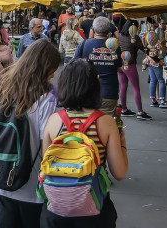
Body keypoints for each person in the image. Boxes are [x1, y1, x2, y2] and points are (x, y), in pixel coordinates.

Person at [41, 59, 128, 228]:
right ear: (95, 87)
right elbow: (119, 173)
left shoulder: (53, 121)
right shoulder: (106, 122)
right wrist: (122, 144)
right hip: (94, 210)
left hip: (57, 210)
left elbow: (45, 164)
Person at [0, 39, 61, 228]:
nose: (52, 74)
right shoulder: (47, 98)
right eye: (52, 69)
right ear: (43, 68)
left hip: (0, 177)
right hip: (31, 184)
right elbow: (47, 146)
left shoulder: (1, 89)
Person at [74, 16, 122, 116]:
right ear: (109, 30)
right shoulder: (115, 46)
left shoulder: (84, 44)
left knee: (88, 125)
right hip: (109, 92)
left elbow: (74, 65)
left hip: (87, 92)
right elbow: (118, 67)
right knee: (106, 125)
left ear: (94, 29)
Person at [117, 20, 152, 120]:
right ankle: (140, 111)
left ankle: (123, 109)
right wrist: (153, 53)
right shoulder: (135, 38)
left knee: (123, 86)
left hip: (121, 65)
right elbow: (144, 49)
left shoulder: (120, 36)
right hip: (130, 65)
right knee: (136, 88)